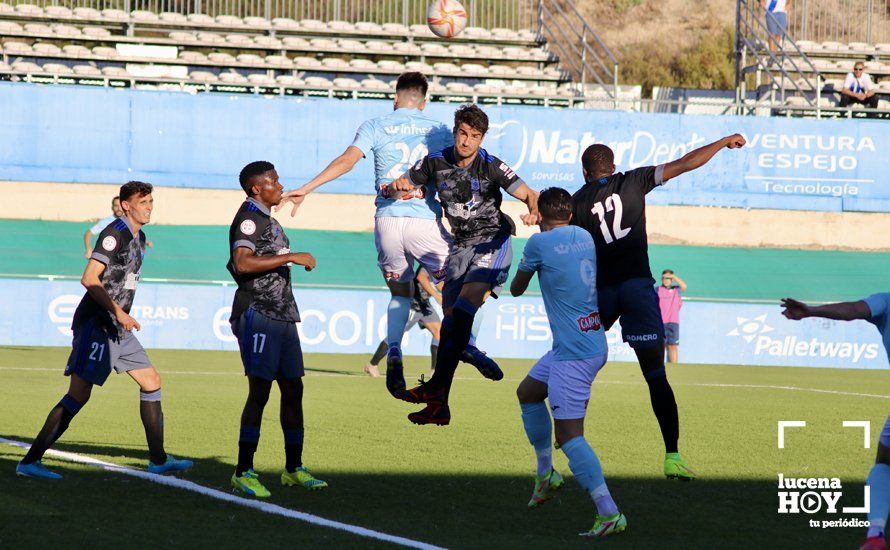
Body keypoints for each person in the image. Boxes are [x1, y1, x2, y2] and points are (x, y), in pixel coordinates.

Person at [278, 72, 498, 396]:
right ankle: (469, 345)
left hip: (388, 223)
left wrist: (307, 188)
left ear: (395, 99)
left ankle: (394, 351)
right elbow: (463, 166)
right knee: (465, 287)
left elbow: (347, 161)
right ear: (424, 103)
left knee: (399, 294)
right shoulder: (438, 130)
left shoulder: (374, 125)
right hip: (425, 222)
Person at [571, 133, 746, 480]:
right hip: (636, 287)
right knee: (655, 377)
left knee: (573, 363)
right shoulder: (634, 179)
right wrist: (723, 141)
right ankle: (672, 456)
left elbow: (559, 235)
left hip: (601, 292)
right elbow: (685, 163)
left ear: (585, 172)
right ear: (613, 167)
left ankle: (563, 441)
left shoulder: (577, 201)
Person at [16, 181, 192, 479]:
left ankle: (158, 460)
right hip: (97, 324)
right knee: (79, 395)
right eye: (143, 201)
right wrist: (118, 311)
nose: (149, 206)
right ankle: (30, 462)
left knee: (151, 381)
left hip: (117, 327)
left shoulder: (140, 236)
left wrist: (120, 315)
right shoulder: (114, 234)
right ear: (126, 205)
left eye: (151, 201)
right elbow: (89, 278)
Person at [393, 103, 539, 426]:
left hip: (493, 242)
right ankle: (439, 404)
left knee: (462, 313)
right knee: (450, 328)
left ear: (482, 138)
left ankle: (453, 367)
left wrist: (533, 208)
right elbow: (404, 181)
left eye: (474, 136)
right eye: (462, 133)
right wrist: (395, 188)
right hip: (460, 248)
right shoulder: (435, 162)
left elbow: (528, 192)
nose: (466, 141)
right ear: (456, 130)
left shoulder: (491, 166)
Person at [511, 187, 626, 538]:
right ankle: (547, 473)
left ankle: (609, 513)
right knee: (528, 392)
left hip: (574, 353)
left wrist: (532, 245)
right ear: (571, 214)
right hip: (585, 342)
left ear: (541, 216)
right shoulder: (584, 235)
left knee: (570, 436)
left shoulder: (538, 244)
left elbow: (516, 288)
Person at [228, 161, 326, 498]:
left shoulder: (268, 218)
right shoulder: (249, 218)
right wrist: (291, 257)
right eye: (274, 181)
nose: (280, 185)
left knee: (293, 390)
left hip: (282, 314)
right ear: (257, 188)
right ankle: (244, 471)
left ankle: (293, 468)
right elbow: (242, 262)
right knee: (260, 391)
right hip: (258, 311)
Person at [780, 294, 890, 550]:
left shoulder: (885, 301)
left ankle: (875, 535)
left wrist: (809, 311)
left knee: (885, 463)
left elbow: (852, 309)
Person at [365, 266, 442, 378]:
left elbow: (440, 284)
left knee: (438, 332)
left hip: (425, 305)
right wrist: (436, 295)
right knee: (396, 334)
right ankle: (372, 364)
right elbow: (421, 277)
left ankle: (434, 370)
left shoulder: (444, 266)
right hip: (412, 303)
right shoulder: (429, 262)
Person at [657, 269, 686, 364]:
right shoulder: (657, 290)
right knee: (660, 346)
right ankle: (659, 366)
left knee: (672, 346)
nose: (665, 280)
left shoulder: (676, 290)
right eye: (664, 278)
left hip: (673, 322)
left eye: (668, 278)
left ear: (672, 279)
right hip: (660, 322)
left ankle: (674, 367)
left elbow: (684, 286)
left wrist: (673, 276)